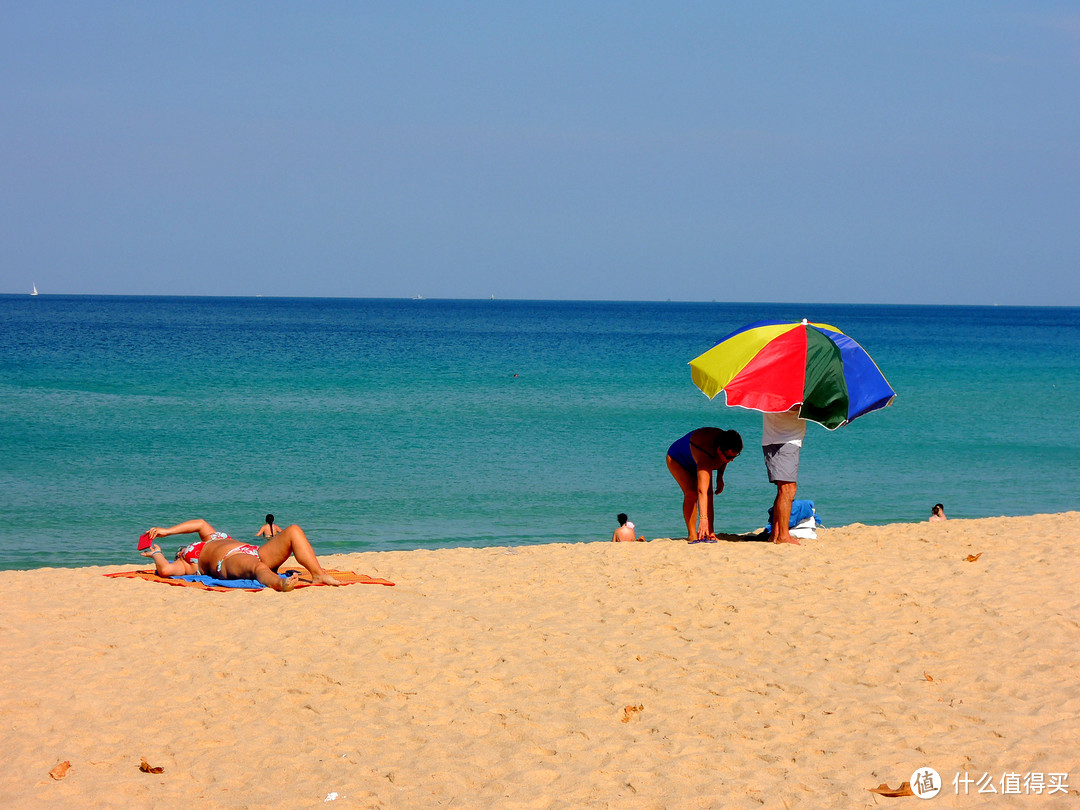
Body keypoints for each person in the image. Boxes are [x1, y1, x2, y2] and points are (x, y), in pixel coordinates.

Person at [138, 519, 341, 591]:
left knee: (294, 531)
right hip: (227, 562)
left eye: (182, 547)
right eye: (179, 550)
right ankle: (279, 584)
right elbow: (165, 570)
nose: (181, 548)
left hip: (254, 550)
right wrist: (157, 554)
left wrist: (166, 531)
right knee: (256, 568)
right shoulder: (188, 562)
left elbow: (199, 523)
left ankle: (318, 574)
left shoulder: (211, 537)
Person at [666, 427, 743, 543]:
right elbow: (702, 491)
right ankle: (692, 534)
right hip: (678, 459)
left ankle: (710, 532)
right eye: (729, 457)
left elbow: (723, 460)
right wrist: (703, 519)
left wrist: (720, 477)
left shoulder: (728, 442)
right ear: (719, 450)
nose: (731, 460)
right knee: (692, 493)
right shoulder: (705, 454)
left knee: (710, 493)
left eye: (734, 456)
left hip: (701, 457)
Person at [763, 408, 807, 545]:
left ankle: (776, 533)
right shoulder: (785, 392)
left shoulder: (772, 390)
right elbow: (794, 407)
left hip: (780, 439)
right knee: (788, 489)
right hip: (785, 440)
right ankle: (783, 535)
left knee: (784, 489)